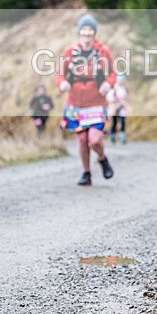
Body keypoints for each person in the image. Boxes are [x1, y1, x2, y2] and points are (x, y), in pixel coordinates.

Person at [56, 14, 116, 186]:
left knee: (95, 140)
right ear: (79, 32)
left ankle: (102, 158)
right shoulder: (70, 51)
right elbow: (60, 73)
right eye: (84, 29)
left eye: (90, 30)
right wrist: (62, 84)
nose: (87, 33)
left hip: (96, 102)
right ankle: (86, 173)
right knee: (82, 140)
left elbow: (112, 73)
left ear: (94, 32)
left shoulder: (103, 52)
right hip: (75, 103)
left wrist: (107, 83)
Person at [106, 75, 129, 144]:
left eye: (122, 80)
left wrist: (124, 103)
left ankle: (122, 137)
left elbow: (126, 97)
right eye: (120, 80)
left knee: (122, 121)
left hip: (122, 108)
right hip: (115, 108)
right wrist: (114, 103)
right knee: (115, 122)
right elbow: (109, 98)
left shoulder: (124, 88)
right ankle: (112, 136)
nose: (121, 81)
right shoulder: (114, 88)